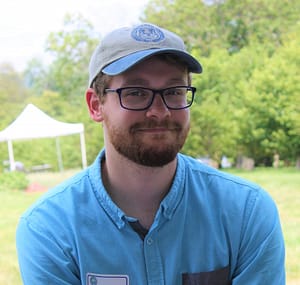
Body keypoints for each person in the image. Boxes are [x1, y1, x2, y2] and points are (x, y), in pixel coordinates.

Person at [16, 23, 285, 285]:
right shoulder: (49, 228)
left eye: (174, 91)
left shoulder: (245, 211)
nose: (160, 110)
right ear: (96, 105)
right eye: (135, 92)